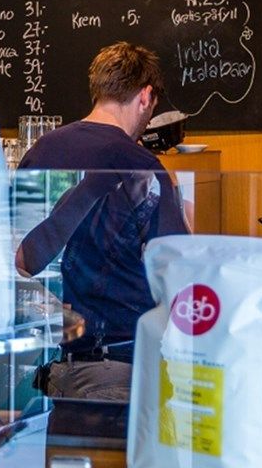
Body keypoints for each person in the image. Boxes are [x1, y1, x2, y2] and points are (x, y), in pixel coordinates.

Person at [16, 42, 189, 400]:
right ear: (145, 97)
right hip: (118, 366)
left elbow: (20, 261)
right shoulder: (140, 165)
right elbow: (176, 273)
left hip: (47, 366)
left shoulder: (39, 151)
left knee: (62, 458)